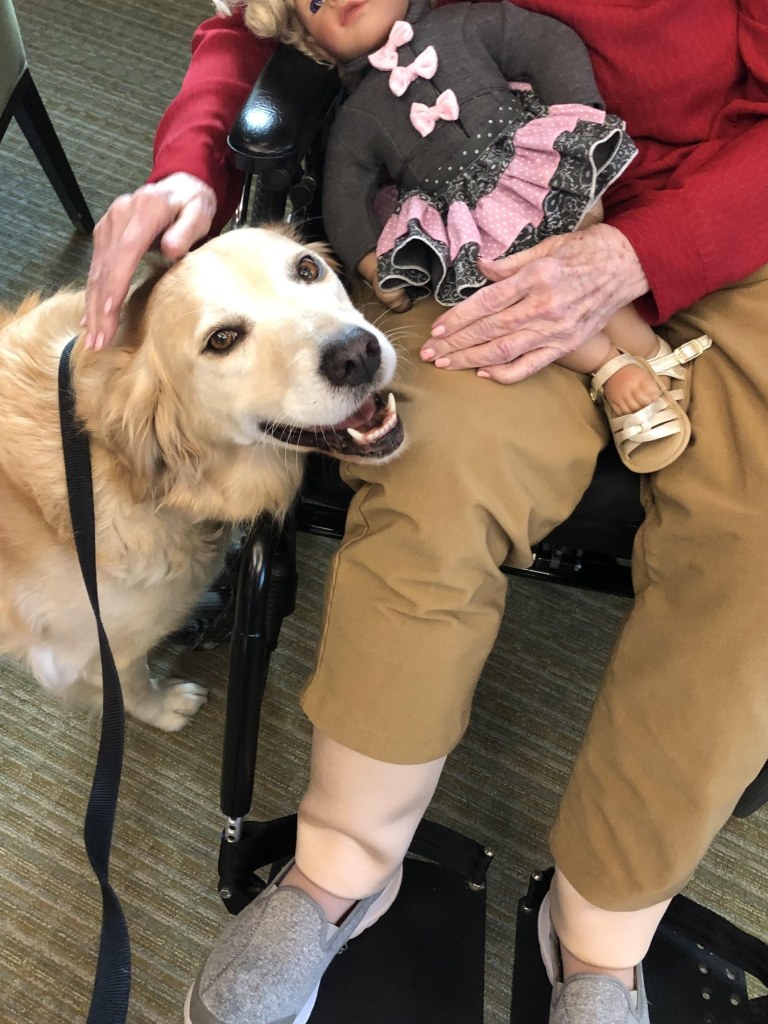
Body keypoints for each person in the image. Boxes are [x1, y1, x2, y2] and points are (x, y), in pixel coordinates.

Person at [83, 2, 768, 1024]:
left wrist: (643, 250)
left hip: (730, 206)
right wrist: (192, 162)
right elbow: (249, 18)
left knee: (757, 550)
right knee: (432, 460)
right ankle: (341, 867)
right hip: (470, 227)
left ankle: (602, 936)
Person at [242, 0, 697, 475]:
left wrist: (575, 109)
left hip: (535, 168)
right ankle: (610, 366)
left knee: (577, 251)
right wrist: (371, 262)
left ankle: (647, 350)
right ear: (314, 44)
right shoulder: (356, 120)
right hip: (471, 224)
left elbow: (545, 44)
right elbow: (344, 194)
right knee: (505, 290)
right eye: (314, 4)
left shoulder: (469, 21)